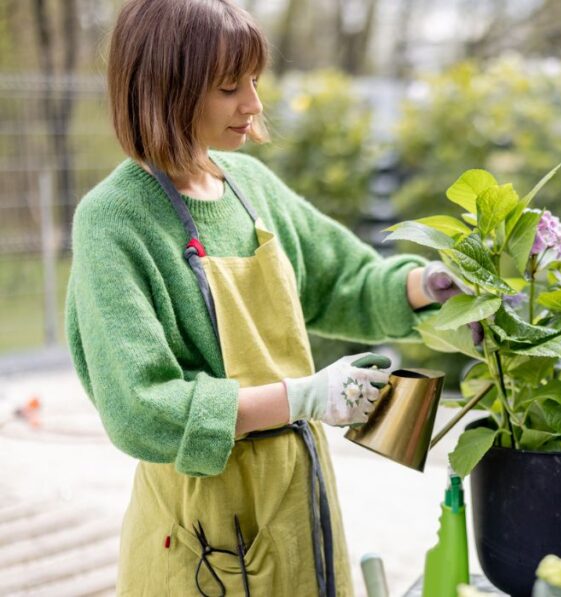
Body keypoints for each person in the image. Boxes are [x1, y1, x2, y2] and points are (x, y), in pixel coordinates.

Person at [64, 1, 465, 594]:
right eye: (230, 87)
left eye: (253, 81)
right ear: (164, 90)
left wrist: (431, 285)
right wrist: (302, 396)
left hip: (299, 496)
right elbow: (142, 407)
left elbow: (341, 280)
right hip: (203, 523)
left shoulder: (249, 188)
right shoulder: (114, 221)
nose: (252, 105)